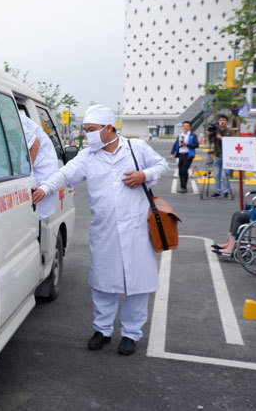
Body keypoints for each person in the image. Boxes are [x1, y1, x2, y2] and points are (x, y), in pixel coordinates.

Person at [32, 105, 168, 356]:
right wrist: (45, 188)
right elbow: (64, 174)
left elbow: (162, 165)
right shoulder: (87, 156)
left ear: (108, 128)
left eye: (91, 130)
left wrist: (143, 175)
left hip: (136, 230)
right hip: (105, 230)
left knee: (137, 284)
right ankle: (102, 330)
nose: (87, 135)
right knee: (103, 282)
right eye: (85, 130)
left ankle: (130, 334)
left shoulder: (135, 149)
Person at [20, 113, 59, 220]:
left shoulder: (8, 116)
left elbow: (34, 142)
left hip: (41, 175)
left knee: (34, 220)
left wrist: (26, 173)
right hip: (40, 175)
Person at [169, 120, 198, 194]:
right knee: (180, 171)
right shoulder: (180, 135)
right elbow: (175, 145)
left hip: (188, 155)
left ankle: (183, 187)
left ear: (190, 127)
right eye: (184, 126)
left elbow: (196, 145)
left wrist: (187, 144)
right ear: (182, 127)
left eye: (187, 126)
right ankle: (182, 186)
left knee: (184, 170)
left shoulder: (192, 135)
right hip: (181, 155)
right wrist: (172, 154)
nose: (186, 127)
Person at [210, 114, 235, 198]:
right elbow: (210, 141)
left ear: (226, 122)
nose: (222, 121)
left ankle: (226, 192)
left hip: (227, 156)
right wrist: (211, 134)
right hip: (217, 155)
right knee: (217, 174)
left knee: (225, 175)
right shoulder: (216, 130)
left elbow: (233, 141)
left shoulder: (230, 131)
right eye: (220, 120)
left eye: (224, 120)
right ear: (218, 121)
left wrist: (222, 138)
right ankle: (217, 191)